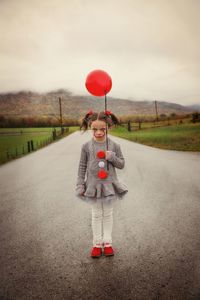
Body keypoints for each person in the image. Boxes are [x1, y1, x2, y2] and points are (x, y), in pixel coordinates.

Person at [75, 110, 128, 258]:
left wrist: (112, 157)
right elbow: (82, 166)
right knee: (96, 214)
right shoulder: (86, 146)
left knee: (108, 214)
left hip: (109, 186)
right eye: (95, 129)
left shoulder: (114, 145)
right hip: (93, 186)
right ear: (90, 127)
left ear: (108, 127)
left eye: (102, 129)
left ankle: (108, 243)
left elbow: (122, 164)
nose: (98, 132)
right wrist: (80, 184)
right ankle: (97, 244)